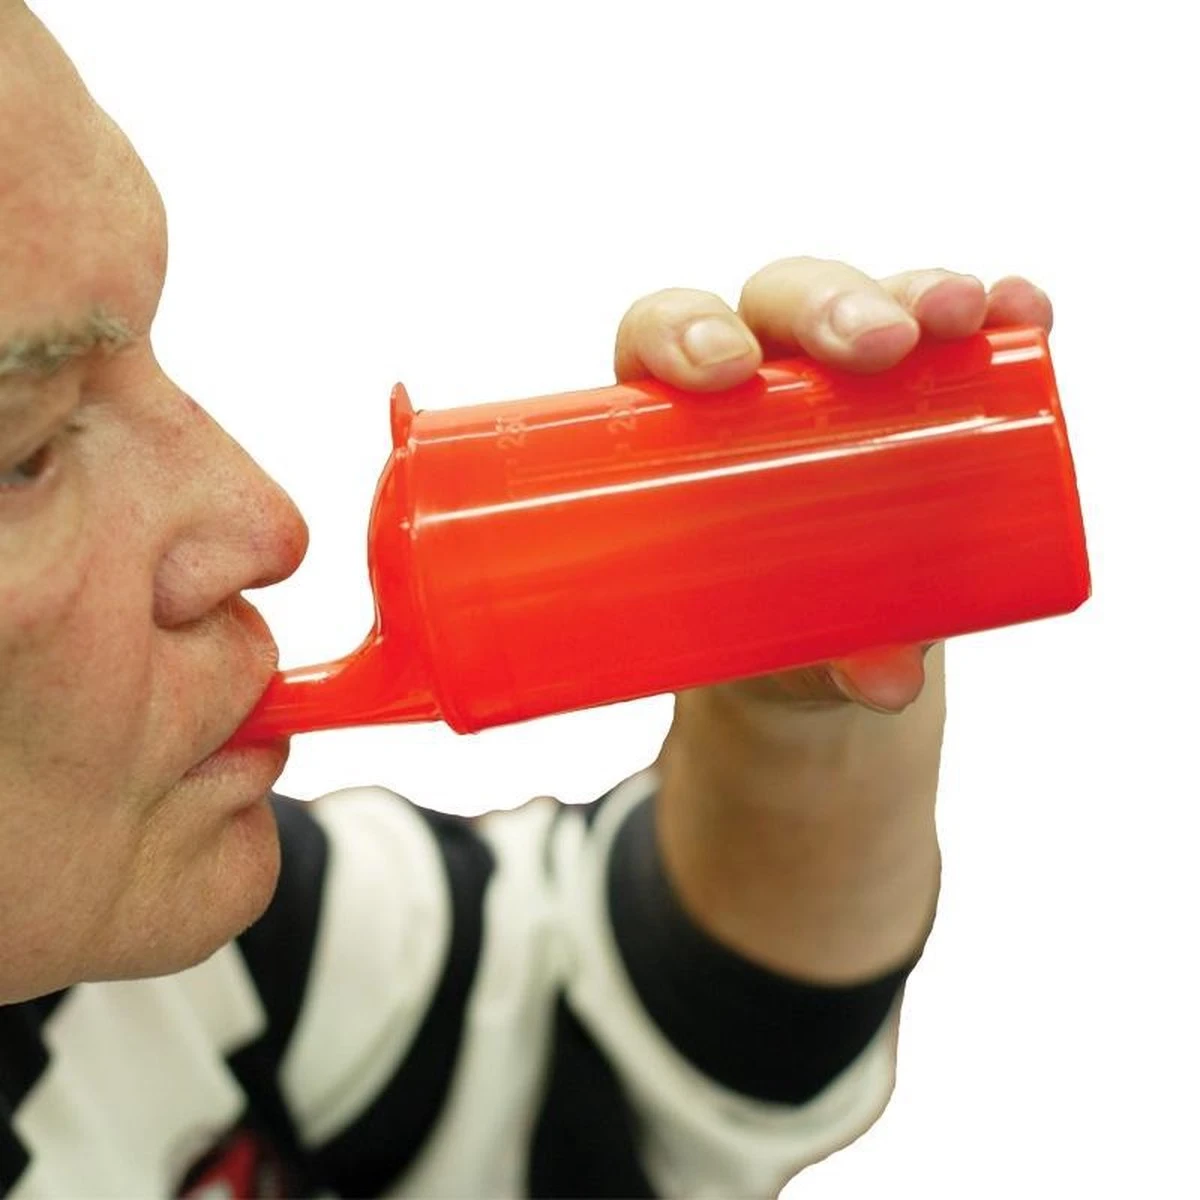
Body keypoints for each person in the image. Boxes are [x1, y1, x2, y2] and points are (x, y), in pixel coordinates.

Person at [0, 2, 1055, 1196]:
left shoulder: (142, 966)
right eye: (25, 450)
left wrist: (791, 695)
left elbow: (634, 1048)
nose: (265, 526)